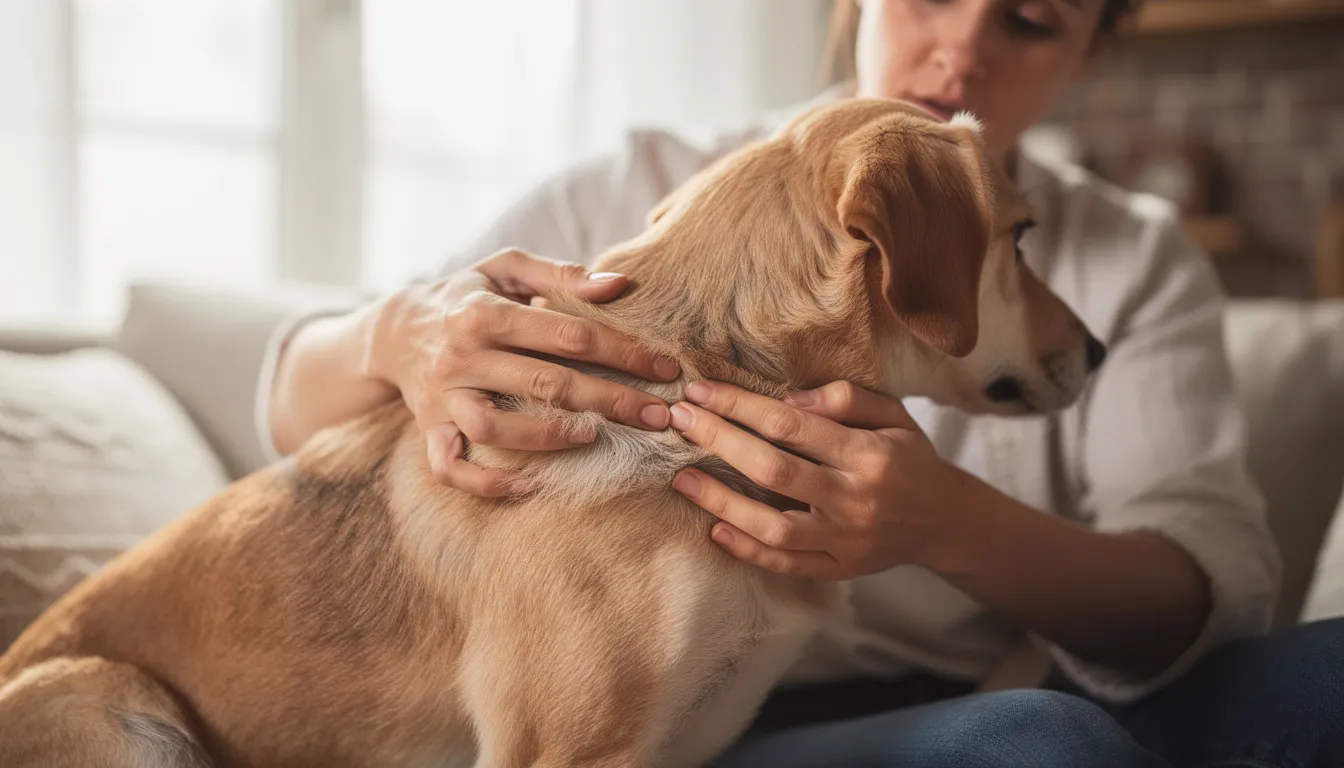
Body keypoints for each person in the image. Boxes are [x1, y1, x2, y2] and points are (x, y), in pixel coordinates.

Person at [258, 0, 1344, 765]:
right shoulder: (643, 190)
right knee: (1034, 749)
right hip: (719, 708)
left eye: (1030, 18)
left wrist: (949, 526)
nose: (959, 51)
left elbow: (1210, 596)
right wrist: (390, 337)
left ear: (1093, 48)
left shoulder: (1139, 258)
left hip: (1019, 687)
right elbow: (291, 412)